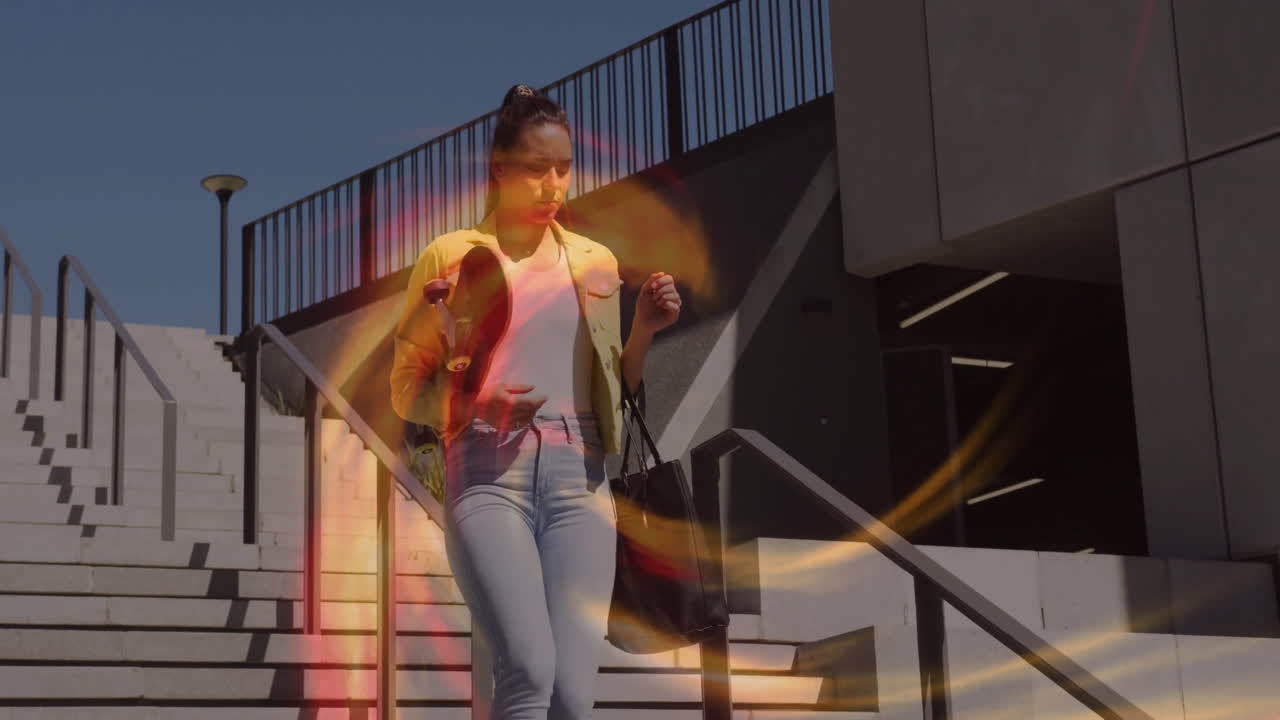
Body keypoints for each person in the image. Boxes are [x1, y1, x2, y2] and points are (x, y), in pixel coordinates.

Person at [390, 83, 682, 719]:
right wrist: (478, 402)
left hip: (582, 476)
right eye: (536, 169)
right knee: (527, 669)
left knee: (574, 698)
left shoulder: (595, 263)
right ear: (500, 170)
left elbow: (619, 389)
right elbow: (406, 388)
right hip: (489, 473)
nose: (554, 185)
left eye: (565, 168)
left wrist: (645, 332)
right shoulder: (453, 255)